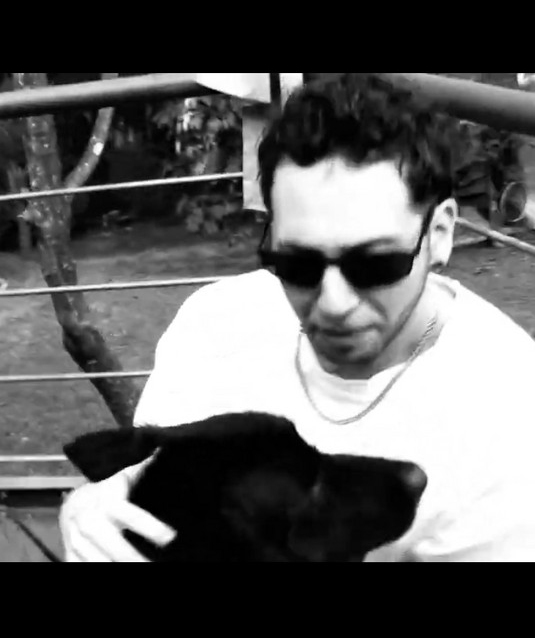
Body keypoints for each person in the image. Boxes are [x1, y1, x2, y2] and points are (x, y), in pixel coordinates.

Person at [60, 73, 535, 562]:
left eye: (375, 264)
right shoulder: (215, 324)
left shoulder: (511, 417)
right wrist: (87, 508)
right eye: (297, 264)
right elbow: (147, 494)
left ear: (439, 235)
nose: (333, 302)